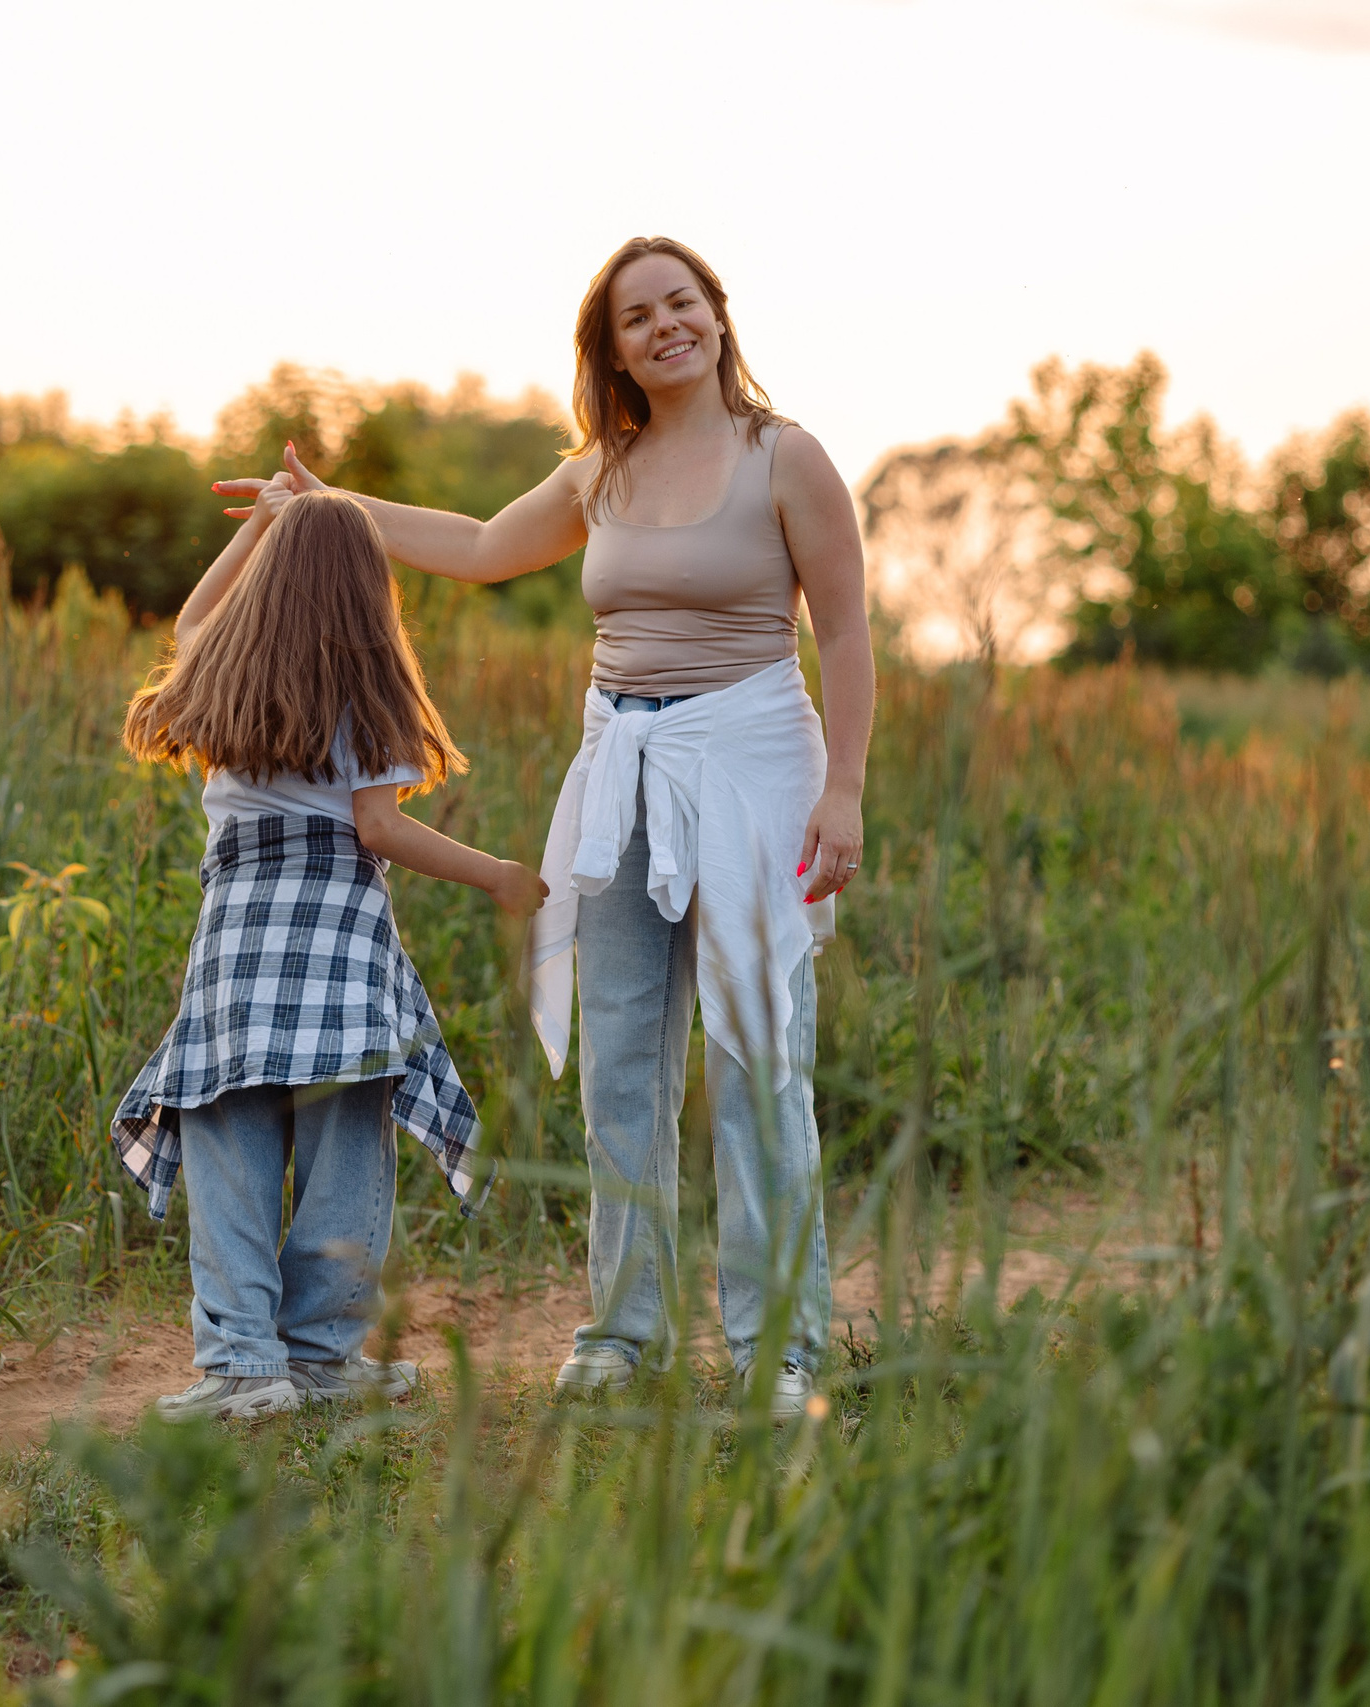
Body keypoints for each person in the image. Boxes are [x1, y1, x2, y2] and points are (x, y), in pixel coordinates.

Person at [221, 236, 873, 1420]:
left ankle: (777, 1346)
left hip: (751, 766)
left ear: (717, 315)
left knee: (754, 1057)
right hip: (619, 768)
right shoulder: (599, 472)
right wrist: (329, 508)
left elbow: (844, 632)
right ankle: (623, 1330)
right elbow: (479, 548)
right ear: (612, 349)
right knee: (620, 1061)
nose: (665, 326)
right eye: (638, 317)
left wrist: (845, 791)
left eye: (681, 303)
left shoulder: (786, 458)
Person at [112, 484, 549, 1422]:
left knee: (230, 1144)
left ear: (266, 579)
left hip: (237, 944)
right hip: (341, 940)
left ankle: (243, 1365)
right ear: (369, 588)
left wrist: (261, 526)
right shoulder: (371, 692)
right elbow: (380, 828)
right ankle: (320, 1356)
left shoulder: (222, 670)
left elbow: (190, 618)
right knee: (347, 1148)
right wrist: (498, 875)